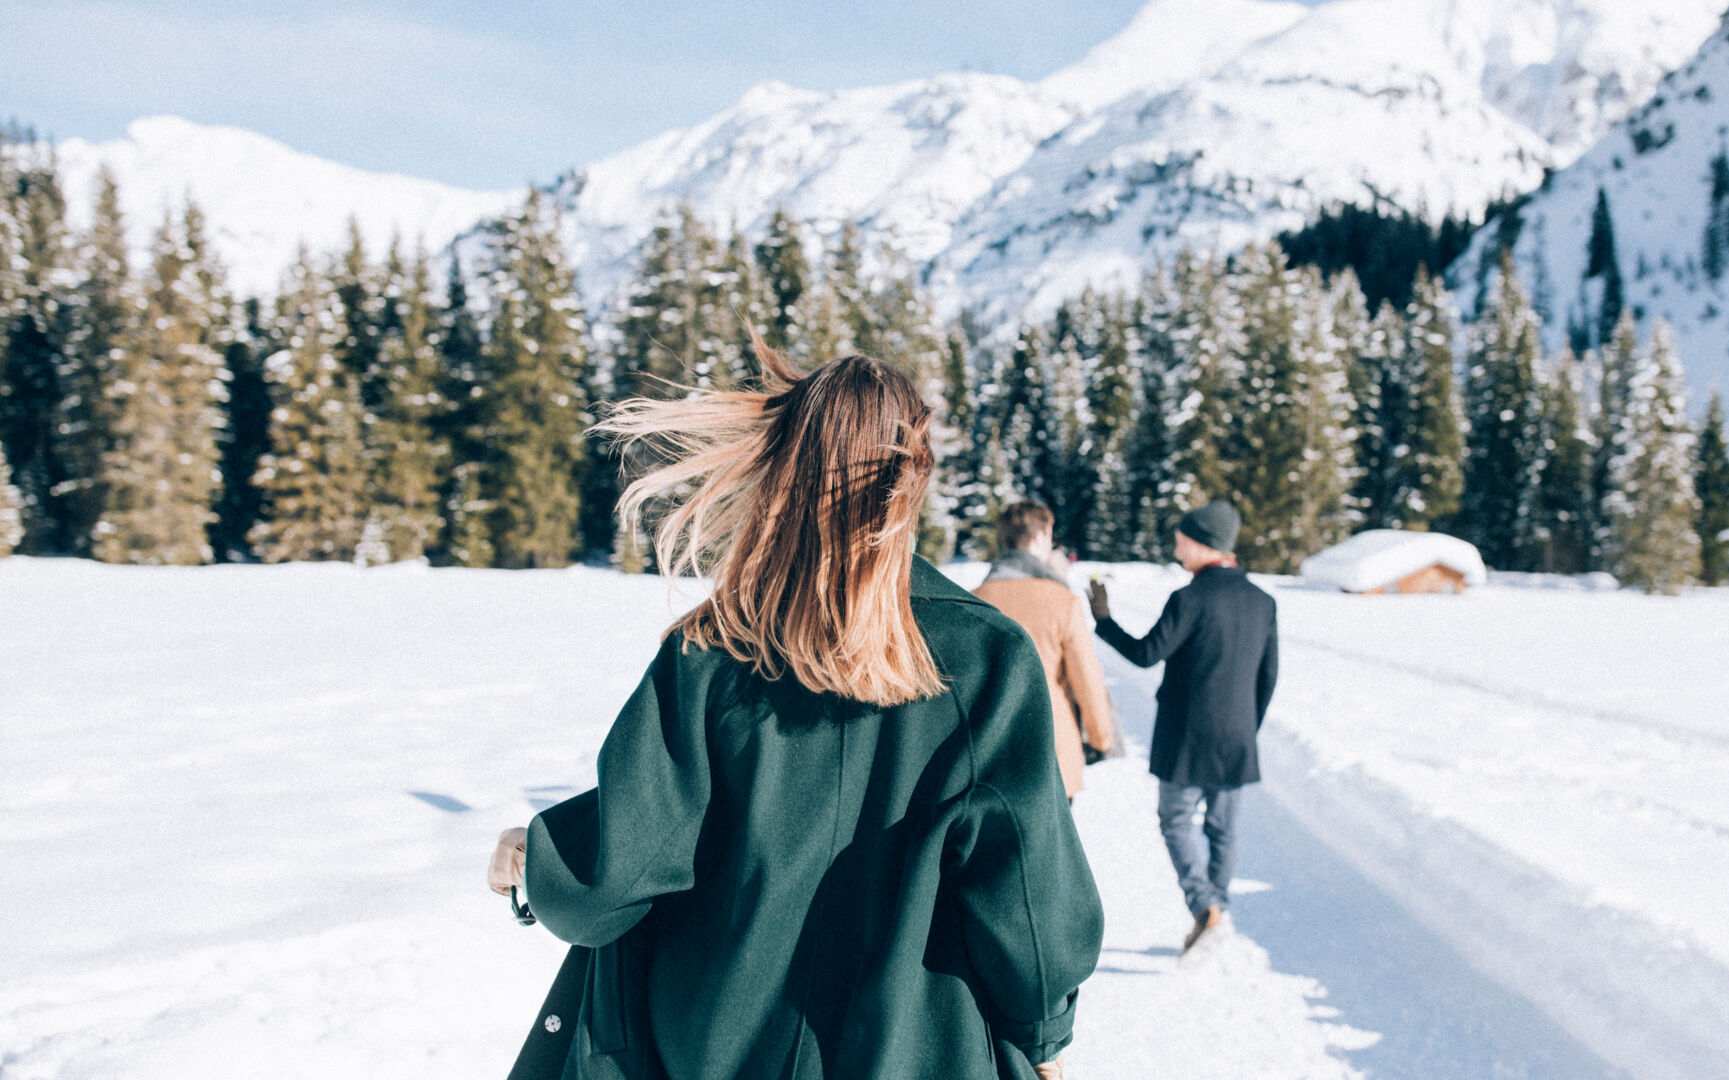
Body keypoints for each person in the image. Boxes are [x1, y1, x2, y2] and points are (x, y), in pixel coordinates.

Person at [486, 343, 1103, 1080]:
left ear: (785, 467)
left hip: (714, 1053)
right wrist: (1044, 1040)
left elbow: (618, 872)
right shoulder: (987, 658)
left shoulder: (709, 650)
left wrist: (534, 854)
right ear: (915, 478)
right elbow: (1029, 908)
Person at [1084, 499, 1277, 953]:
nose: (1177, 548)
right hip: (1236, 737)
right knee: (1222, 829)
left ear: (1202, 542)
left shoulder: (1189, 598)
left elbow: (1146, 653)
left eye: (1182, 539)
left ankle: (1205, 908)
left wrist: (1104, 621)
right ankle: (1216, 912)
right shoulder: (1262, 601)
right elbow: (1268, 677)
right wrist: (1249, 725)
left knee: (1175, 821)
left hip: (1186, 737)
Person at [972, 500, 1116, 801]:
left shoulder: (975, 601)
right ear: (1040, 537)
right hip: (1051, 758)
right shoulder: (1062, 601)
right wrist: (1101, 739)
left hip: (989, 760)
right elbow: (1087, 681)